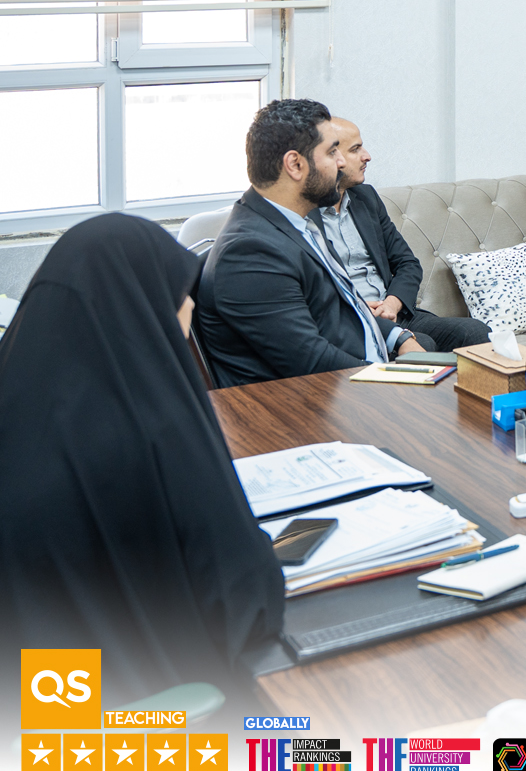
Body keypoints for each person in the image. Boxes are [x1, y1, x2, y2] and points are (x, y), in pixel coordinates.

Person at [0, 214, 284, 724]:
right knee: (347, 753)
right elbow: (248, 606)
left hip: (39, 725)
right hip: (146, 737)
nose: (189, 308)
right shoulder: (155, 428)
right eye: (178, 296)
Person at [197, 99, 425, 387]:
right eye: (331, 152)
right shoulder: (250, 252)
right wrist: (397, 380)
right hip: (315, 403)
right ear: (295, 165)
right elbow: (312, 362)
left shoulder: (295, 224)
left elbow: (337, 310)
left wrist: (398, 336)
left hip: (354, 384)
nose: (341, 162)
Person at [312, 118, 490, 352]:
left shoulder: (365, 198)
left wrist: (392, 304)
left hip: (395, 311)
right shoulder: (304, 214)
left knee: (476, 332)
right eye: (355, 149)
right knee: (423, 345)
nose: (367, 156)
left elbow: (407, 263)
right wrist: (357, 307)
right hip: (350, 322)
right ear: (331, 156)